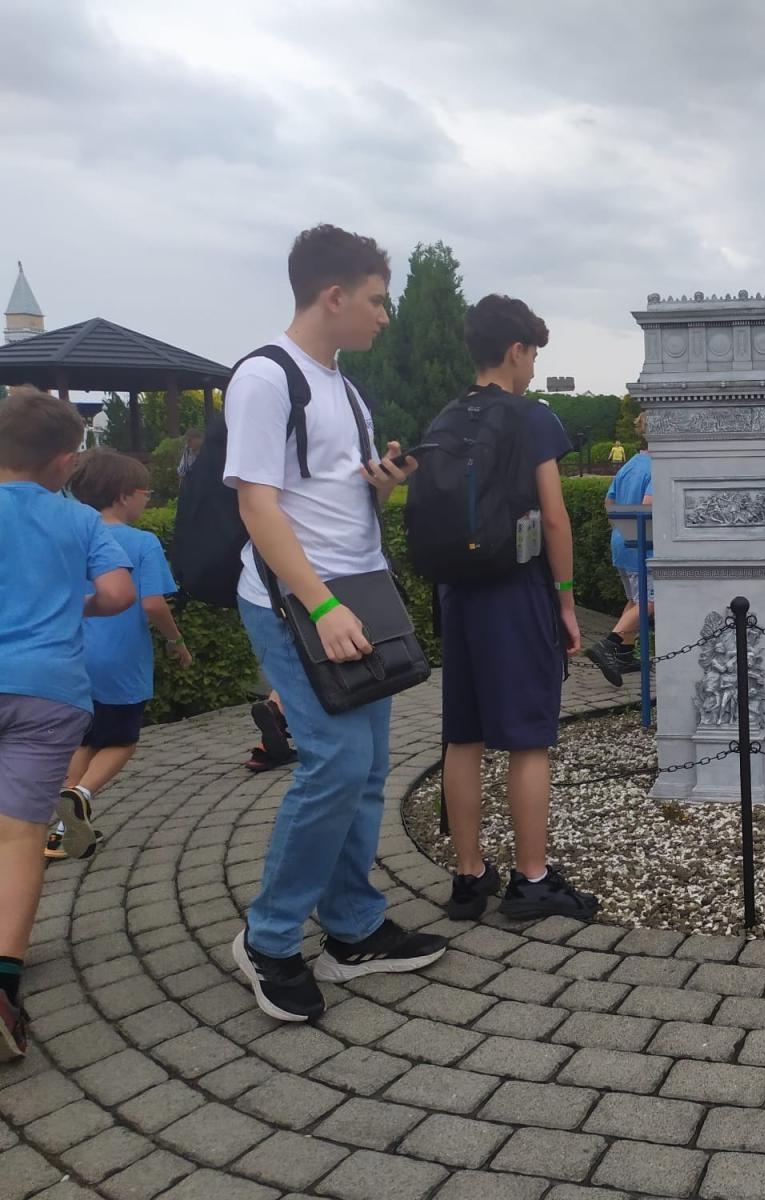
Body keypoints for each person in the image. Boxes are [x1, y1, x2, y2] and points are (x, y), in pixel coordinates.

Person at [224, 224, 444, 1023]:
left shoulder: (344, 387)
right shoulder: (264, 377)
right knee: (335, 764)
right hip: (300, 603)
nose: (386, 316)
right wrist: (319, 605)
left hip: (357, 598)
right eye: (380, 300)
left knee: (370, 765)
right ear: (334, 295)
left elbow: (332, 497)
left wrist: (380, 485)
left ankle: (351, 929)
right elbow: (257, 506)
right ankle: (269, 939)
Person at [439, 295, 599, 924]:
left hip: (458, 594)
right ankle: (532, 881)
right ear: (515, 350)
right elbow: (555, 519)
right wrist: (565, 602)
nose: (532, 368)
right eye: (532, 355)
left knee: (465, 735)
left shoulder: (446, 417)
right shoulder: (530, 417)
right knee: (529, 739)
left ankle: (469, 876)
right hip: (514, 591)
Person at [0, 387, 135, 1059]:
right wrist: (70, 606)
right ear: (63, 460)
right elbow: (118, 593)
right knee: (19, 838)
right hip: (50, 692)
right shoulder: (78, 521)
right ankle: (4, 987)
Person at [51, 450, 192, 861]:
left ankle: (65, 830)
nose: (148, 499)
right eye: (146, 492)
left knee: (86, 735)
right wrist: (175, 640)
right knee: (123, 739)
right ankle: (80, 794)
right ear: (124, 496)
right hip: (120, 658)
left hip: (72, 653)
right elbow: (152, 604)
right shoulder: (141, 542)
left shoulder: (68, 534)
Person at [585, 414, 652, 685]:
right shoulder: (658, 466)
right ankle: (609, 644)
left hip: (621, 542)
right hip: (643, 545)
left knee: (636, 600)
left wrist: (620, 526)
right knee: (651, 600)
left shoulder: (631, 464)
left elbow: (608, 501)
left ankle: (624, 653)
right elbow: (649, 506)